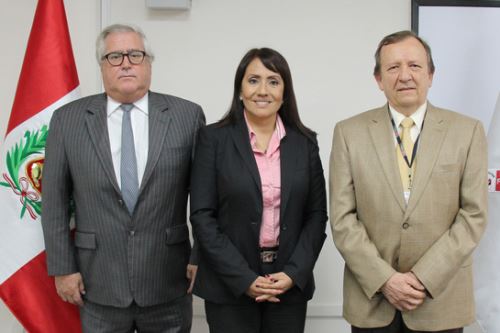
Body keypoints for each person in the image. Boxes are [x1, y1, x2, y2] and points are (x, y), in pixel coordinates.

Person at [41, 24, 205, 332]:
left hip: (168, 281)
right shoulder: (68, 120)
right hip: (97, 284)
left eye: (135, 54)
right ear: (102, 66)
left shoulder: (187, 116)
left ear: (149, 62)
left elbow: (203, 196)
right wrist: (63, 269)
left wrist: (200, 255)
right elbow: (54, 202)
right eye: (114, 56)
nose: (126, 62)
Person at [330, 30, 488, 333]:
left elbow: (473, 216)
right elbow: (342, 219)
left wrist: (423, 277)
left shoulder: (467, 132)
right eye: (393, 67)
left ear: (430, 75)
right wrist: (386, 280)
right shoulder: (349, 133)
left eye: (414, 66)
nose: (404, 76)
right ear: (378, 79)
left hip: (441, 301)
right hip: (372, 301)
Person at [189, 47, 327, 333]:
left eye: (273, 81)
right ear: (240, 89)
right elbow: (202, 216)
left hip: (287, 284)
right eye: (253, 80)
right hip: (229, 285)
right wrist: (243, 278)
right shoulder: (213, 139)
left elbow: (316, 215)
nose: (262, 90)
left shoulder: (305, 142)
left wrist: (292, 273)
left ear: (285, 92)